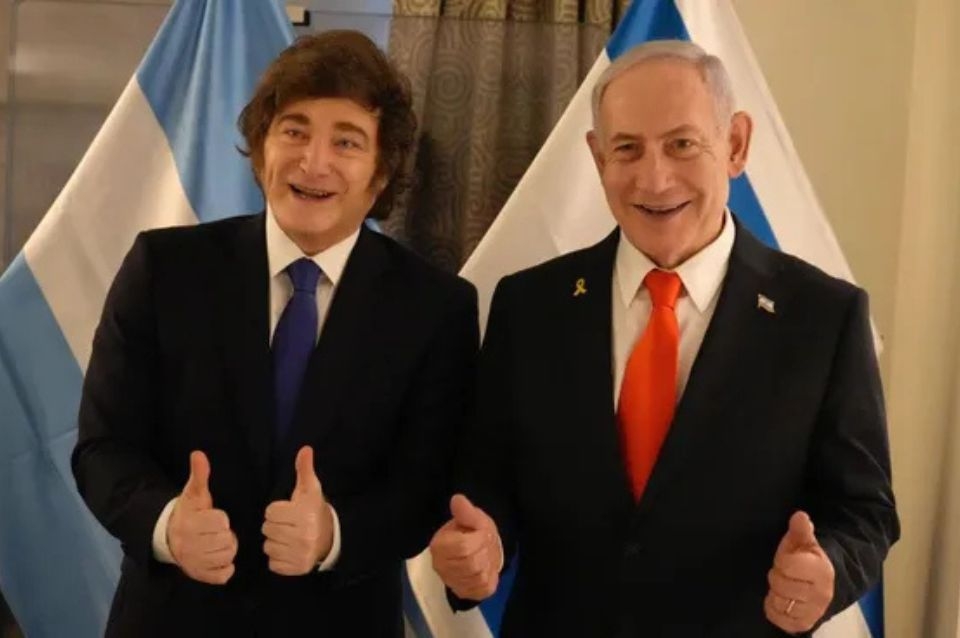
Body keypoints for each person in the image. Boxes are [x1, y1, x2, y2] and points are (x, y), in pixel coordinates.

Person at [429, 39, 898, 637]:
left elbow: (864, 510)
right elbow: (487, 479)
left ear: (735, 144)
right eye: (628, 148)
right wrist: (480, 546)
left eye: (682, 144)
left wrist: (828, 568)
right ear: (598, 157)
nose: (654, 178)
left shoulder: (824, 317)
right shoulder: (529, 306)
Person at [72, 30, 478, 637]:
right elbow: (103, 447)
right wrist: (166, 524)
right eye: (294, 131)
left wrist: (333, 535)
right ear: (261, 150)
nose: (314, 162)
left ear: (382, 172)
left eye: (347, 141)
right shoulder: (164, 269)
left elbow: (426, 485)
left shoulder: (437, 307)